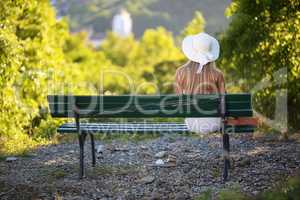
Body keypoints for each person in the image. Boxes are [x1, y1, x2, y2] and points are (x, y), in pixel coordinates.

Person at [175, 32, 226, 134]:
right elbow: (224, 100)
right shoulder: (217, 74)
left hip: (192, 123)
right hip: (213, 123)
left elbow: (178, 99)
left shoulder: (180, 72)